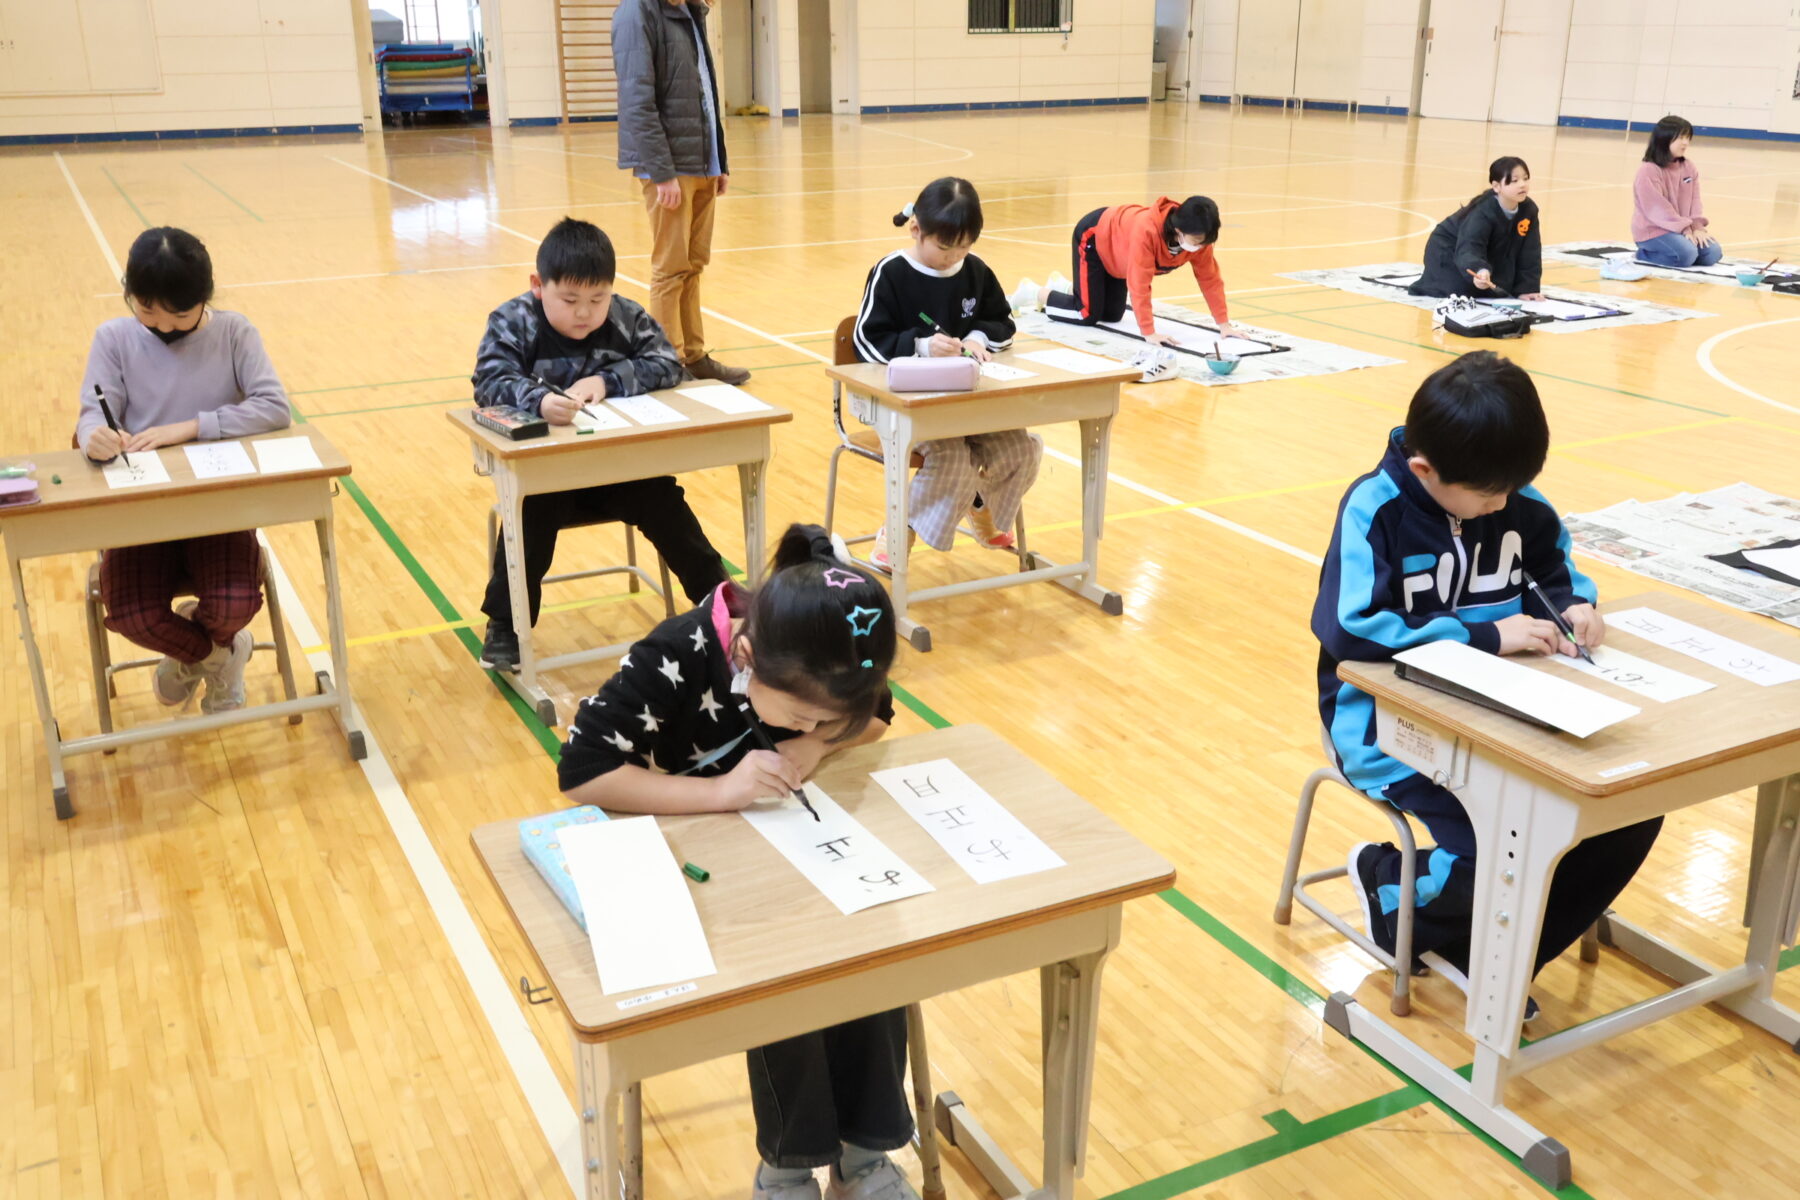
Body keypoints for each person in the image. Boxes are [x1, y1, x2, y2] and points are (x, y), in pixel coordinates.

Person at [559, 524, 919, 1200]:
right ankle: (788, 1164)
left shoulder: (830, 659)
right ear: (745, 655)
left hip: (798, 848)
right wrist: (720, 792)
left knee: (875, 948)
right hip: (696, 865)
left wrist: (816, 751)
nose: (810, 729)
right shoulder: (676, 653)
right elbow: (583, 772)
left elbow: (872, 719)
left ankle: (864, 1155)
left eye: (823, 722)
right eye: (799, 718)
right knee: (785, 979)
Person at [1312, 351, 1661, 1015]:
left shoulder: (1512, 497)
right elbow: (1352, 630)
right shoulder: (1374, 510)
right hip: (1386, 728)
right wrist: (1483, 637)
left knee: (1625, 811)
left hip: (1508, 720)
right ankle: (1391, 887)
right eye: (1489, 498)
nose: (1503, 507)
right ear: (1424, 471)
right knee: (1498, 839)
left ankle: (1502, 959)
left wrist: (1576, 608)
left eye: (1510, 491)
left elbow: (1553, 570)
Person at [472, 216, 728, 670]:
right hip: (547, 480)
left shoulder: (626, 317)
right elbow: (490, 379)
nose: (585, 313)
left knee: (665, 502)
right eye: (569, 300)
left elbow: (668, 363)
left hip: (619, 470)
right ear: (538, 285)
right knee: (529, 514)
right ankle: (507, 625)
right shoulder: (513, 321)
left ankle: (722, 602)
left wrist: (606, 380)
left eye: (598, 298)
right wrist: (539, 399)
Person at [77, 226, 291, 714]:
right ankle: (219, 657)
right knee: (132, 615)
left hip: (216, 505)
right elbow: (93, 412)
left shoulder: (234, 332)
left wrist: (193, 426)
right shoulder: (113, 338)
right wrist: (94, 435)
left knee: (234, 603)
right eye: (147, 309)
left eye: (180, 314)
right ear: (130, 294)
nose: (164, 326)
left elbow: (274, 407)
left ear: (203, 298)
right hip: (141, 511)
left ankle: (193, 658)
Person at [850, 177, 1035, 572]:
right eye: (945, 248)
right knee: (952, 458)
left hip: (967, 402)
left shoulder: (975, 271)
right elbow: (866, 341)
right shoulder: (891, 273)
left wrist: (979, 337)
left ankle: (981, 507)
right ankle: (897, 532)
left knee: (1023, 449)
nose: (955, 258)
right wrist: (921, 346)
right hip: (903, 405)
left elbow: (1002, 321)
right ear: (917, 230)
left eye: (965, 248)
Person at [612, 0, 750, 384]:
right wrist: (662, 173)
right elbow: (637, 100)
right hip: (669, 167)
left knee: (693, 265)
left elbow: (705, 92)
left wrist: (718, 160)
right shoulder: (636, 12)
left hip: (700, 162)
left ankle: (694, 355)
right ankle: (665, 362)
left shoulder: (691, 11)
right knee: (670, 269)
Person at [1009, 195, 1244, 383]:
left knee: (1112, 315)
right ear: (1179, 231)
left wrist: (1224, 324)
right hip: (1095, 237)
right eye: (1196, 242)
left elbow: (1209, 278)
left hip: (1118, 256)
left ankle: (1065, 287)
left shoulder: (1200, 242)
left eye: (1204, 242)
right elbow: (1139, 283)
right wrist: (1149, 333)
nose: (1200, 247)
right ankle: (1032, 292)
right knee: (1086, 314)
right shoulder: (1147, 231)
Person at [1408, 157, 1545, 300]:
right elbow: (1470, 246)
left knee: (1501, 288)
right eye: (1514, 181)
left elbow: (1530, 251)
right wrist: (1479, 269)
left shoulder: (1529, 210)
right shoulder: (1483, 212)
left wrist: (1527, 288)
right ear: (1496, 186)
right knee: (1462, 292)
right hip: (1448, 247)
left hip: (1485, 250)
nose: (1522, 185)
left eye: (1525, 179)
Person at [1633, 115, 1723, 269]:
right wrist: (1685, 229)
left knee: (1713, 253)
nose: (1686, 142)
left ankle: (1682, 250)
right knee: (1686, 254)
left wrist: (1697, 228)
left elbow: (1695, 201)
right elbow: (1658, 209)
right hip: (1654, 231)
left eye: (1688, 137)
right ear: (1664, 138)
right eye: (1681, 137)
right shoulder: (1649, 170)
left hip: (1682, 228)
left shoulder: (1688, 167)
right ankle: (1644, 253)